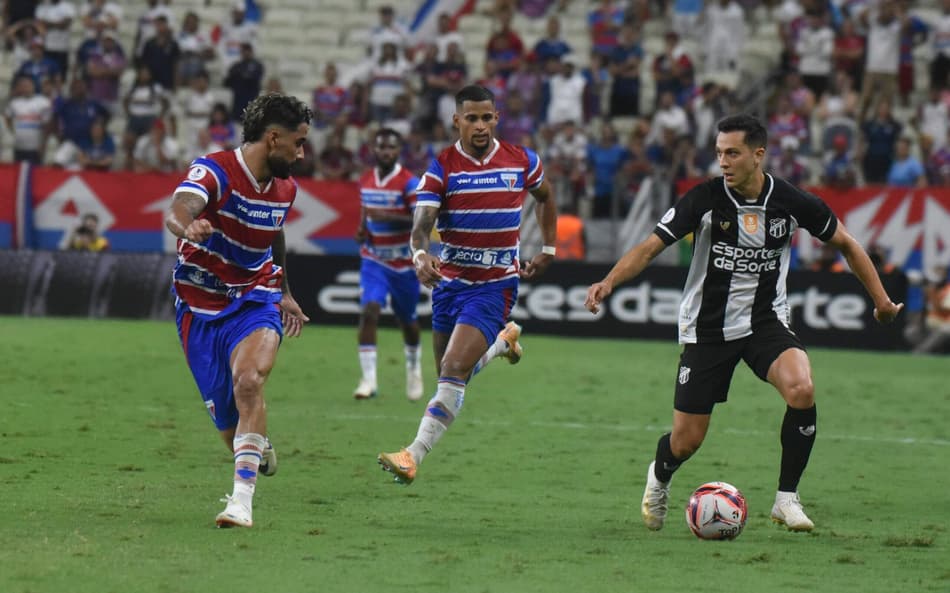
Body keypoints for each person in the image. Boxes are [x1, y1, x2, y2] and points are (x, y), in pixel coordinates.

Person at [584, 114, 903, 533]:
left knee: (801, 389)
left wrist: (880, 300)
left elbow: (847, 243)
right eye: (719, 153)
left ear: (758, 155)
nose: (723, 162)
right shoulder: (703, 200)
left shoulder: (790, 200)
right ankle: (660, 475)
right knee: (687, 440)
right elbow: (649, 247)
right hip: (707, 329)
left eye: (732, 153)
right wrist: (608, 281)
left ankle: (786, 499)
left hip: (764, 321)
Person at [377, 84, 559, 484]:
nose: (480, 126)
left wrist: (548, 247)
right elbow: (421, 226)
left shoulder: (521, 161)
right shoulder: (441, 168)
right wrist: (420, 257)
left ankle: (412, 455)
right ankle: (501, 344)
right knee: (450, 374)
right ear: (456, 120)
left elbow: (545, 196)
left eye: (487, 117)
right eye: (472, 118)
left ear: (497, 118)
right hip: (449, 285)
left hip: (495, 284)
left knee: (454, 369)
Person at [163, 93, 313, 528]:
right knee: (231, 429)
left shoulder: (286, 188)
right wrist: (186, 226)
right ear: (272, 138)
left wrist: (282, 290)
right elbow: (178, 208)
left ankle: (240, 504)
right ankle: (255, 441)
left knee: (249, 381)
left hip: (254, 298)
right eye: (298, 142)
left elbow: (275, 233)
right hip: (197, 305)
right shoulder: (213, 170)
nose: (302, 153)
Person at [353, 128, 424, 401]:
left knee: (407, 321)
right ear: (374, 149)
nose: (386, 152)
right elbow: (365, 212)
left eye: (391, 148)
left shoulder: (408, 183)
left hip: (403, 263)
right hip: (374, 259)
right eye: (381, 147)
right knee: (369, 310)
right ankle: (368, 380)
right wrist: (362, 229)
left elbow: (421, 220)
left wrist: (386, 216)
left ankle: (414, 368)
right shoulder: (366, 180)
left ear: (398, 152)